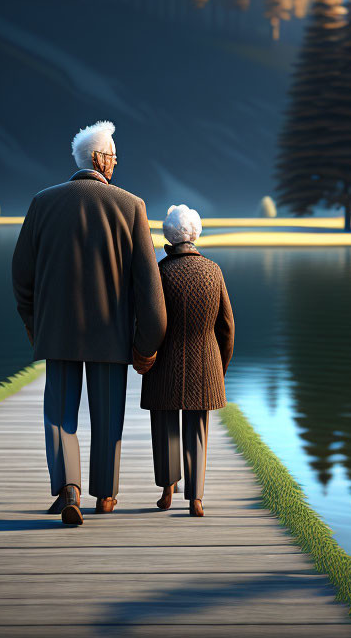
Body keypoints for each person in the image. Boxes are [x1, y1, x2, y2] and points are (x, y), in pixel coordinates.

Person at [11, 120, 166, 526]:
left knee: (59, 414)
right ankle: (106, 495)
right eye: (113, 156)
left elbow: (21, 276)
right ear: (100, 159)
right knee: (108, 414)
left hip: (58, 333)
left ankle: (69, 490)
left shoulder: (43, 203)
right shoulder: (131, 207)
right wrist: (146, 343)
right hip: (111, 336)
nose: (116, 162)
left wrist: (35, 325)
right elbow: (149, 288)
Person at [136, 204, 234, 517]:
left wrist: (142, 352)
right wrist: (222, 367)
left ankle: (167, 489)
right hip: (205, 362)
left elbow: (149, 320)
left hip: (164, 362)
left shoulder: (159, 273)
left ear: (168, 236)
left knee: (164, 425)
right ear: (196, 234)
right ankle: (196, 498)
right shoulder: (214, 271)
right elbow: (227, 327)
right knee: (197, 429)